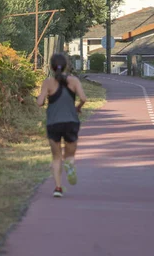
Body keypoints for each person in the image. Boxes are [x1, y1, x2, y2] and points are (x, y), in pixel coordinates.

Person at [37, 53, 87, 198]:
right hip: (71, 122)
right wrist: (78, 107)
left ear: (51, 67)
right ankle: (70, 163)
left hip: (53, 123)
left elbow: (40, 103)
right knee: (69, 155)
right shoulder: (74, 81)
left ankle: (58, 188)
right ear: (66, 66)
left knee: (56, 157)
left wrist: (43, 97)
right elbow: (84, 98)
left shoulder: (47, 82)